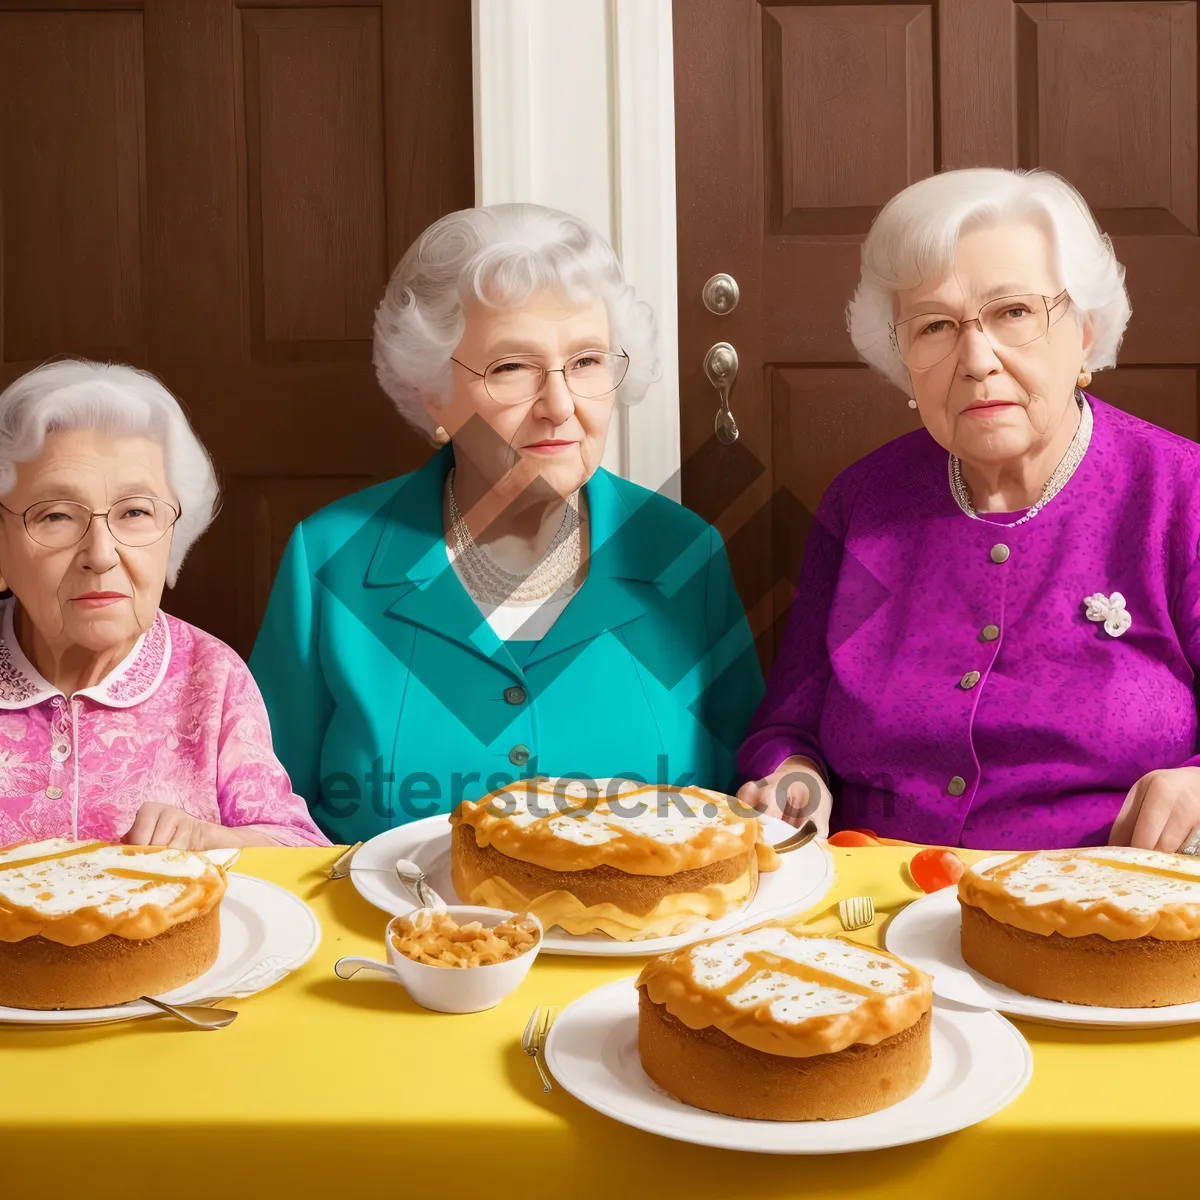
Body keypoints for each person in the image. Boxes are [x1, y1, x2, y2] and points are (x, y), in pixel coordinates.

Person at [250, 203, 762, 842]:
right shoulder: (332, 560)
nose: (559, 406)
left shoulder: (685, 555)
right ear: (432, 390)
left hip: (642, 938)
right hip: (391, 938)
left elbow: (740, 816)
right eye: (511, 368)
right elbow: (265, 819)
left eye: (586, 362)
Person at [738, 167, 1200, 854]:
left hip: (1099, 911)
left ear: (1085, 331)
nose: (976, 359)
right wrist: (790, 782)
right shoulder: (862, 504)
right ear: (903, 360)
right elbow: (788, 729)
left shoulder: (1179, 494)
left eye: (1013, 312)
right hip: (871, 902)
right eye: (935, 326)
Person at [0, 360, 329, 849]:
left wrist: (209, 840)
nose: (101, 554)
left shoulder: (211, 674)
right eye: (55, 516)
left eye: (135, 512)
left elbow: (304, 854)